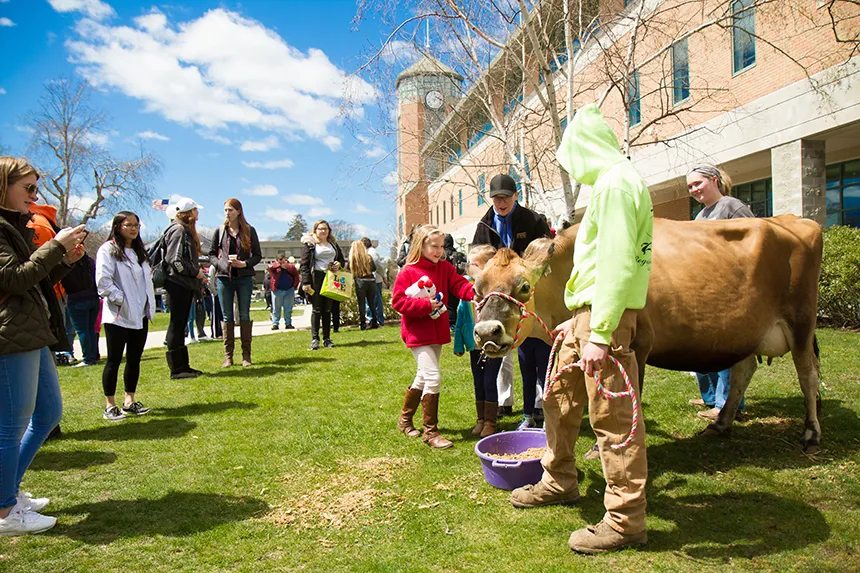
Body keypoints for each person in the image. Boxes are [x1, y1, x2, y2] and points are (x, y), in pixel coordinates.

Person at [509, 104, 653, 554]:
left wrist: (600, 333)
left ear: (584, 149)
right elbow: (602, 263)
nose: (570, 168)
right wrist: (579, 318)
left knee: (613, 420)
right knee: (557, 397)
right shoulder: (618, 182)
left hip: (602, 320)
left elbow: (615, 263)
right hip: (589, 314)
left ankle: (625, 519)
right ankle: (559, 479)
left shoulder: (614, 185)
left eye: (569, 158)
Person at [0, 156, 87, 536]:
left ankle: (7, 493)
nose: (35, 198)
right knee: (11, 426)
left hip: (31, 331)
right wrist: (54, 246)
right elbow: (14, 280)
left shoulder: (13, 226)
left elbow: (32, 280)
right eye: (29, 189)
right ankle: (5, 511)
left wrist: (64, 260)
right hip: (11, 334)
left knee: (48, 414)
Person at [472, 173, 552, 426]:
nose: (501, 203)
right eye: (496, 198)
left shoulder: (532, 220)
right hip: (497, 297)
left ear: (515, 195)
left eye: (505, 197)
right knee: (500, 350)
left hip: (523, 293)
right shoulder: (484, 225)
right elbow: (476, 260)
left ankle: (539, 405)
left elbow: (545, 250)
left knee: (536, 352)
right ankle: (504, 402)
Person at [392, 225, 475, 449]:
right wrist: (424, 305)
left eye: (441, 246)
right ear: (421, 245)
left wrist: (475, 292)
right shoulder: (408, 271)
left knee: (423, 376)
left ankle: (405, 420)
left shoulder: (445, 268)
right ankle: (431, 432)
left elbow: (459, 285)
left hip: (436, 331)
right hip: (417, 334)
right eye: (434, 246)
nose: (439, 251)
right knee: (433, 377)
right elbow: (398, 302)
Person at [687, 164, 754, 421]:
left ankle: (728, 403)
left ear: (714, 180)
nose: (693, 190)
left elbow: (754, 242)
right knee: (701, 346)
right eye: (690, 187)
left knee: (724, 347)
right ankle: (711, 397)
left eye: (697, 184)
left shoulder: (731, 207)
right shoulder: (700, 216)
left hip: (728, 290)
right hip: (703, 289)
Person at [95, 211, 156, 421]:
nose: (133, 229)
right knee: (113, 359)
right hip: (118, 315)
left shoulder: (140, 253)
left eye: (136, 225)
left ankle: (129, 401)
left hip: (140, 315)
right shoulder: (108, 250)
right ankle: (110, 405)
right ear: (118, 226)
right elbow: (103, 281)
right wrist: (120, 299)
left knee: (134, 359)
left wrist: (147, 304)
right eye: (128, 225)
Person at [208, 198, 262, 368]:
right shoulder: (220, 230)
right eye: (225, 210)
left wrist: (244, 263)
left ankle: (246, 355)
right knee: (226, 316)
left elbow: (257, 255)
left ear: (238, 211)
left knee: (244, 315)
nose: (227, 213)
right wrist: (221, 264)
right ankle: (228, 356)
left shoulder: (249, 230)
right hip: (224, 277)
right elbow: (211, 254)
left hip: (244, 277)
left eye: (230, 210)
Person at [454, 244, 500, 437]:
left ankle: (491, 422)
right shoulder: (468, 287)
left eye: (475, 264)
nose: (471, 267)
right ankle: (480, 419)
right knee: (478, 382)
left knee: (489, 381)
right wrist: (458, 343)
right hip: (475, 344)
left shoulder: (497, 289)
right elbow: (460, 317)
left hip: (493, 344)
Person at [163, 198, 207, 379]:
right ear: (189, 213)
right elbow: (175, 261)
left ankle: (183, 366)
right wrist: (194, 273)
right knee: (177, 324)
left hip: (181, 283)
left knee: (180, 325)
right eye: (196, 210)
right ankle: (177, 368)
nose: (198, 213)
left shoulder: (181, 230)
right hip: (178, 284)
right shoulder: (179, 230)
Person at [300, 220, 345, 350]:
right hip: (316, 278)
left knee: (327, 309)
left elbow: (341, 259)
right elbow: (304, 265)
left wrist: (338, 264)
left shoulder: (333, 244)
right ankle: (315, 339)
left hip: (331, 277)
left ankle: (327, 338)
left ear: (329, 231)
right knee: (317, 309)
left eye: (325, 229)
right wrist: (306, 282)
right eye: (320, 229)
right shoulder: (310, 244)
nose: (323, 231)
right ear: (315, 231)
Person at [63, 252, 101, 367]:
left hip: (76, 298)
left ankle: (87, 359)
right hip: (93, 298)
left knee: (82, 331)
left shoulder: (69, 262)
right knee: (91, 330)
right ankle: (93, 356)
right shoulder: (90, 261)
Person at [348, 240, 378, 330]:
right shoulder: (368, 257)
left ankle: (362, 323)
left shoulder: (353, 258)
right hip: (371, 280)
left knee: (361, 303)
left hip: (360, 280)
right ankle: (375, 321)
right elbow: (374, 268)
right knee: (371, 302)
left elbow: (351, 271)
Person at [268, 254, 299, 330]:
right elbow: (270, 267)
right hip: (277, 290)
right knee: (276, 308)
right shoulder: (274, 266)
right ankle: (275, 323)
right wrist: (279, 265)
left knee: (288, 308)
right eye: (280, 260)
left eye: (284, 260)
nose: (283, 261)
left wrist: (294, 286)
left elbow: (296, 275)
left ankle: (288, 323)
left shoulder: (291, 266)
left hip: (289, 289)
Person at [362, 237, 385, 327]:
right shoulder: (367, 252)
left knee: (376, 300)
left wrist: (382, 276)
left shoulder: (372, 252)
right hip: (369, 279)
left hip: (375, 279)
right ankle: (371, 319)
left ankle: (379, 320)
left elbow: (377, 265)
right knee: (370, 300)